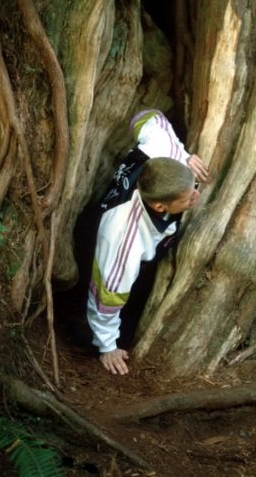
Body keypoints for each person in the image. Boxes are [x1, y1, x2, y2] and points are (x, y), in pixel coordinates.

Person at [86, 109, 208, 375]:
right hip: (110, 234)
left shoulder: (165, 150)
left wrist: (185, 156)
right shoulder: (123, 241)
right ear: (160, 205)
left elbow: (146, 116)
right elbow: (107, 294)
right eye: (188, 199)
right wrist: (107, 345)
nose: (196, 197)